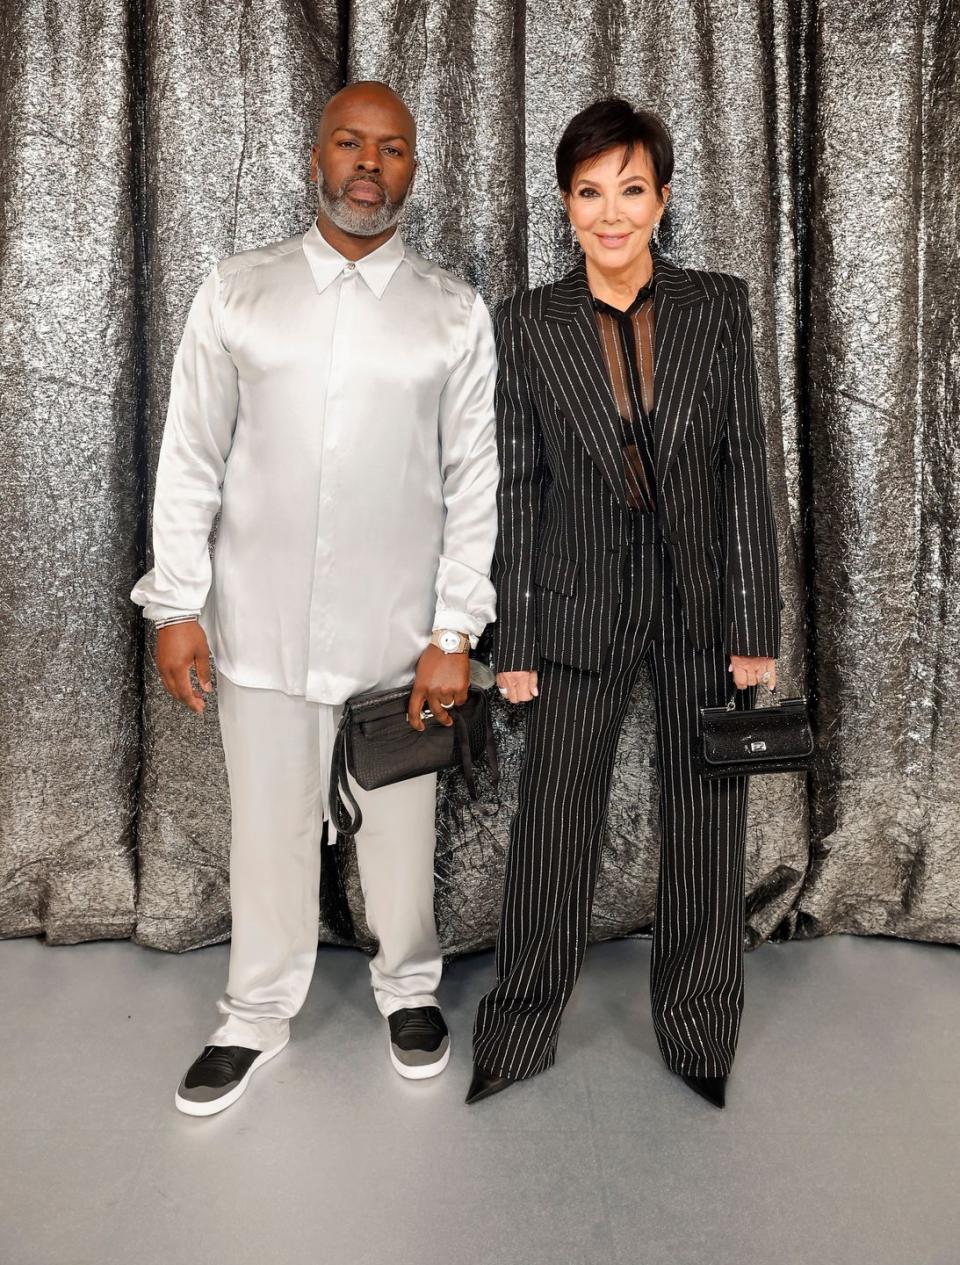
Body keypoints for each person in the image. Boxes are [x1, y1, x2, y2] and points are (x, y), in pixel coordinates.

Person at [131, 81, 499, 1116]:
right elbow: (191, 457)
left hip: (399, 638)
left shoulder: (451, 312)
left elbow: (475, 478)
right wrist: (178, 606)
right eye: (351, 142)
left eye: (390, 149)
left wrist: (453, 631)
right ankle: (252, 1012)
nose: (369, 164)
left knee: (398, 826)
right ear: (316, 156)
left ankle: (409, 987)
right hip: (258, 621)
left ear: (413, 172)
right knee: (272, 827)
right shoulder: (237, 292)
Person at [468, 98, 784, 1109]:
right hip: (573, 600)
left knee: (705, 819)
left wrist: (754, 624)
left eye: (631, 190)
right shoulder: (526, 324)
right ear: (566, 206)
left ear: (664, 198)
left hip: (698, 602)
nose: (612, 213)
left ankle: (699, 1031)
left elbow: (747, 466)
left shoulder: (718, 306)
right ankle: (518, 1030)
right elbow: (516, 483)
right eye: (590, 192)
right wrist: (513, 630)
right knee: (554, 821)